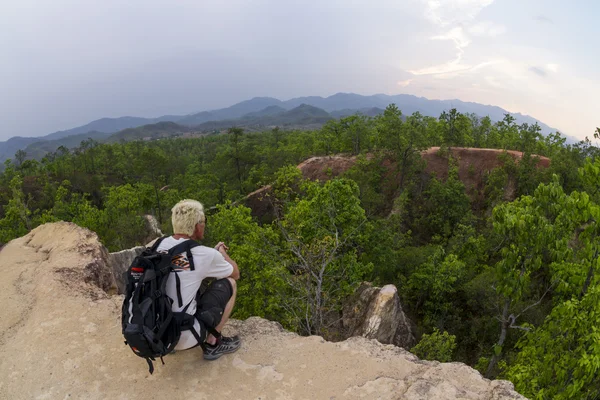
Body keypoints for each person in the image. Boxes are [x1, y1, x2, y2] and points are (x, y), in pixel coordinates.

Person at [155, 199, 241, 360]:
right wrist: (221, 253)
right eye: (203, 222)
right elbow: (235, 273)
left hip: (157, 332)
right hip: (185, 335)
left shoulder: (157, 246)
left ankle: (169, 343)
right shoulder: (203, 254)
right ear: (196, 226)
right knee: (231, 283)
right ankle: (213, 342)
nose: (204, 225)